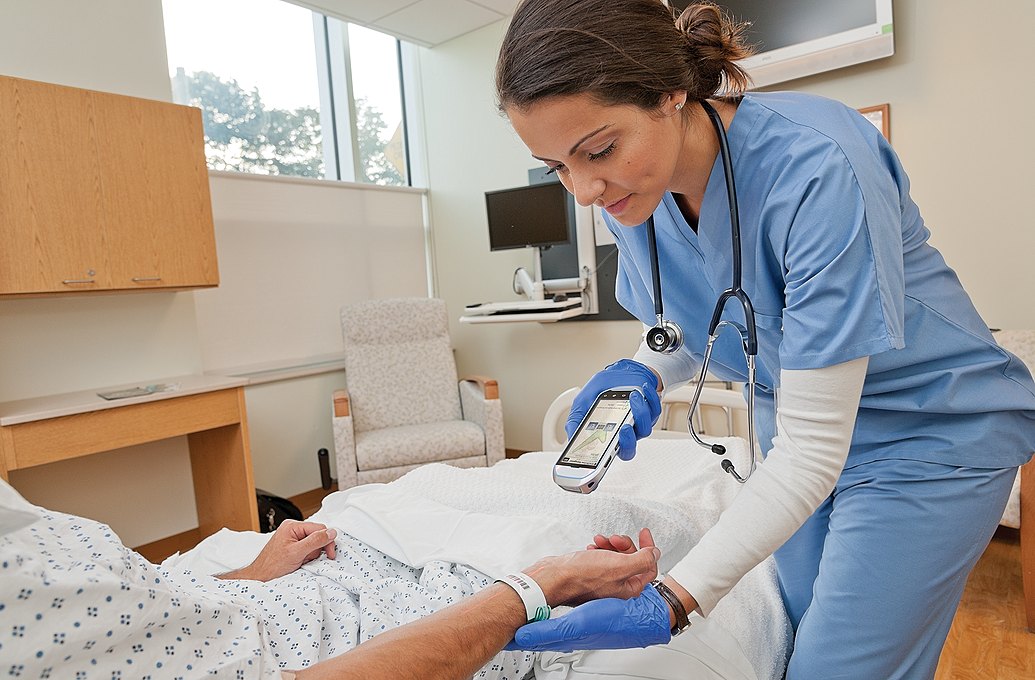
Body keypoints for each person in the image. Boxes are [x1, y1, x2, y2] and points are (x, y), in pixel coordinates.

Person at [494, 1, 1035, 678]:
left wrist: (673, 600)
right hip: (800, 436)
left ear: (671, 92)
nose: (582, 190)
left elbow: (812, 449)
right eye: (556, 167)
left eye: (598, 150)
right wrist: (645, 372)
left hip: (927, 431)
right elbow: (695, 322)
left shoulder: (816, 166)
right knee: (793, 633)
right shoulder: (631, 191)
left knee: (835, 667)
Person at [0, 478, 669, 680]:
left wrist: (249, 574)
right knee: (606, 512)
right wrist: (532, 589)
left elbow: (132, 594)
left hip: (287, 585)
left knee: (376, 495)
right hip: (359, 637)